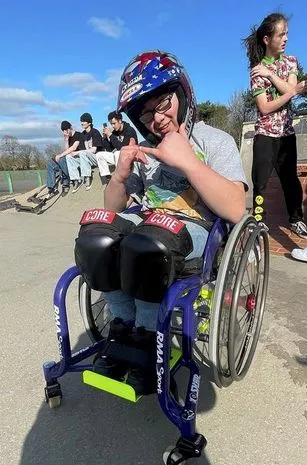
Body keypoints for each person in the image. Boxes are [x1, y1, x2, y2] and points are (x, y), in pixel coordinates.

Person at [75, 50, 247, 394]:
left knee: (146, 247)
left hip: (194, 228)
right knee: (98, 235)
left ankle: (150, 335)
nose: (158, 117)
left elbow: (235, 208)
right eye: (147, 113)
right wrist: (121, 176)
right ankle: (123, 328)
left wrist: (188, 163)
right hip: (147, 224)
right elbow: (114, 207)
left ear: (181, 95)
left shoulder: (213, 141)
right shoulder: (144, 151)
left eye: (163, 103)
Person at [243, 12, 307, 237]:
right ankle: (259, 224)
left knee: (290, 179)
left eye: (287, 34)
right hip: (265, 134)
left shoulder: (289, 62)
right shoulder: (256, 70)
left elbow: (288, 90)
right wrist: (293, 90)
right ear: (266, 39)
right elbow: (265, 107)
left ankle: (296, 220)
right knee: (260, 183)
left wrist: (271, 75)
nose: (286, 39)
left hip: (287, 132)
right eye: (281, 35)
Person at [96, 111, 138, 184]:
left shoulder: (129, 130)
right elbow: (110, 149)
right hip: (119, 157)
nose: (112, 126)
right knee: (99, 155)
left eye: (114, 123)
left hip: (131, 156)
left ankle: (120, 178)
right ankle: (107, 179)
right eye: (111, 124)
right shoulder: (115, 132)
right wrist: (105, 138)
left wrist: (111, 135)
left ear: (120, 121)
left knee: (117, 153)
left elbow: (122, 148)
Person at [66, 113, 103, 192]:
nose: (82, 123)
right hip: (86, 159)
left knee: (82, 153)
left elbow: (94, 150)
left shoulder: (95, 132)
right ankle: (76, 179)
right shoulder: (82, 134)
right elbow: (81, 151)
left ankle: (87, 177)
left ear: (89, 123)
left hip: (96, 158)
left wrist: (78, 152)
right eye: (81, 121)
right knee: (68, 157)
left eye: (84, 121)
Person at [45, 121, 83, 197]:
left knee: (62, 159)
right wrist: (66, 140)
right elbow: (66, 149)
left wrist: (61, 155)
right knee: (50, 164)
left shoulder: (79, 135)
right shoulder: (67, 137)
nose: (65, 132)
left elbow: (73, 148)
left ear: (70, 128)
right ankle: (52, 188)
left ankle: (66, 183)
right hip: (67, 158)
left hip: (76, 158)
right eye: (63, 131)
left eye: (66, 130)